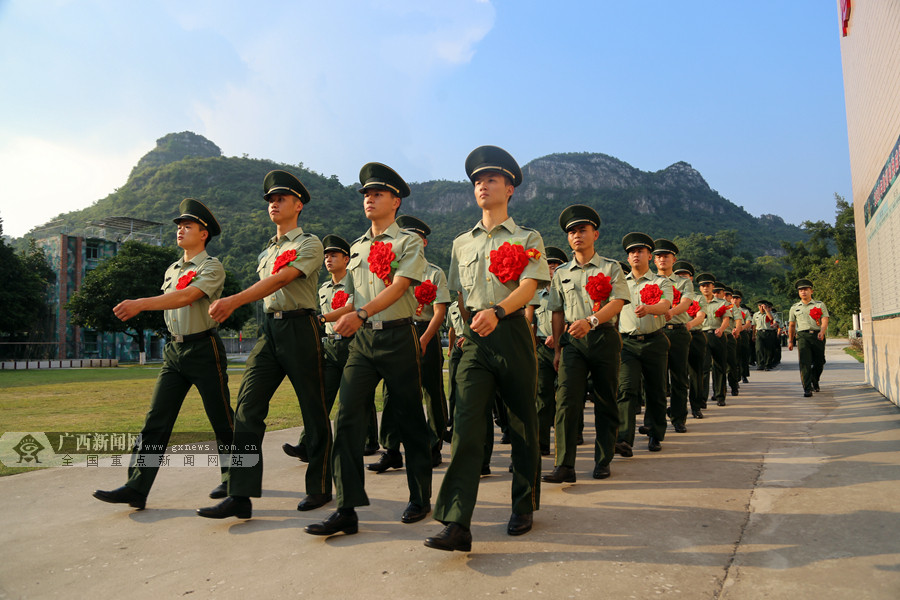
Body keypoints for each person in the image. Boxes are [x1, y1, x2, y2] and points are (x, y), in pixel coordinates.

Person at [425, 145, 550, 552]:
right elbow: (459, 295)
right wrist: (462, 332)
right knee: (465, 425)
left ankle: (524, 503)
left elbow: (530, 286)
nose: (482, 185)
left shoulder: (528, 238)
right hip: (475, 338)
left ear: (510, 188)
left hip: (512, 330)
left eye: (491, 179)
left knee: (521, 423)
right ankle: (457, 522)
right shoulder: (462, 243)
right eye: (477, 181)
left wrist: (498, 310)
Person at [305, 162, 432, 536]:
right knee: (347, 420)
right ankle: (347, 507)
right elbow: (358, 298)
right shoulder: (356, 248)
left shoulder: (407, 242)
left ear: (395, 200)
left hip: (397, 336)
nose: (369, 199)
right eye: (365, 194)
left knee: (409, 418)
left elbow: (399, 286)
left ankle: (421, 496)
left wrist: (359, 312)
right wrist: (327, 317)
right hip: (363, 342)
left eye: (377, 193)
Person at [197, 170, 330, 519]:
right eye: (270, 200)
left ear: (298, 205)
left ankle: (319, 485)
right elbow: (271, 282)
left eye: (281, 199)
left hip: (302, 327)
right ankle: (240, 494)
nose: (274, 204)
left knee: (313, 409)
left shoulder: (309, 244)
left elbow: (283, 279)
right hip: (269, 331)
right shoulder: (267, 251)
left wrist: (234, 301)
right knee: (247, 406)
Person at [93, 199, 233, 510]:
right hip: (175, 350)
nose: (181, 230)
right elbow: (170, 300)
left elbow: (187, 297)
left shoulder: (211, 266)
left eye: (188, 226)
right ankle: (136, 486)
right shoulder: (173, 269)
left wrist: (141, 303)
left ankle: (234, 479)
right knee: (156, 420)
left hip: (203, 348)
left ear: (204, 234)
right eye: (179, 226)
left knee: (221, 418)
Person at [543, 205, 627, 483]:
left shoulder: (611, 267)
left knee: (606, 399)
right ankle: (564, 465)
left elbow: (617, 303)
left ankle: (603, 459)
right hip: (572, 343)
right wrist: (557, 349)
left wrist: (591, 320)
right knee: (566, 400)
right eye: (571, 232)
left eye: (582, 230)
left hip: (603, 336)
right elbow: (556, 310)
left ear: (595, 234)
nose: (576, 235)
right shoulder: (561, 273)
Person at [281, 235, 379, 464]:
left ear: (346, 259)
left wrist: (322, 318)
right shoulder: (324, 287)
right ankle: (308, 443)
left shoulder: (355, 281)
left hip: (353, 343)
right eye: (326, 255)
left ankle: (369, 440)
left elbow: (351, 307)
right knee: (321, 395)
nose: (328, 259)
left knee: (359, 395)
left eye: (334, 255)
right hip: (330, 345)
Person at [369, 215, 450, 471]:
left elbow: (439, 312)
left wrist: (425, 339)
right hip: (399, 331)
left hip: (426, 332)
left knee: (431, 391)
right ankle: (391, 449)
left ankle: (433, 443)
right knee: (392, 392)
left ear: (422, 243)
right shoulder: (390, 271)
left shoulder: (434, 273)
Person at [615, 233, 672, 455]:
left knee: (656, 390)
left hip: (654, 341)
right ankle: (624, 439)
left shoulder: (661, 281)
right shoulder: (620, 283)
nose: (635, 255)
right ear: (628, 259)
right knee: (626, 389)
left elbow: (666, 305)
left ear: (650, 255)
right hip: (627, 343)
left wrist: (649, 308)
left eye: (640, 251)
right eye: (631, 252)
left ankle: (655, 433)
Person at [653, 239, 695, 434]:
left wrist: (671, 311)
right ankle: (657, 419)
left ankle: (679, 418)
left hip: (678, 331)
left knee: (679, 378)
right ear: (654, 260)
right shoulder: (651, 281)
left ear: (673, 259)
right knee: (658, 380)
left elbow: (686, 303)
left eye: (666, 256)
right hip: (657, 331)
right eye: (659, 256)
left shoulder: (683, 282)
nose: (662, 259)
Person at [532, 245, 568, 457]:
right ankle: (542, 442)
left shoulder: (567, 289)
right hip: (543, 348)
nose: (551, 269)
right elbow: (533, 322)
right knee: (543, 395)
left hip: (566, 345)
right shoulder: (537, 295)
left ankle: (574, 434)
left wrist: (559, 335)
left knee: (566, 394)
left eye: (555, 266)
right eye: (548, 266)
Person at [673, 261, 707, 419]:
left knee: (695, 372)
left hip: (694, 335)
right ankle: (676, 408)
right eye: (678, 275)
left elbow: (701, 316)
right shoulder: (669, 293)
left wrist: (689, 324)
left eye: (684, 276)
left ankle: (696, 405)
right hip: (675, 334)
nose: (681, 278)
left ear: (691, 279)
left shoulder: (698, 298)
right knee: (676, 374)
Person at [788, 278, 829, 397]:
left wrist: (822, 331)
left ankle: (814, 380)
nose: (803, 292)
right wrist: (790, 340)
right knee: (804, 363)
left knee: (819, 362)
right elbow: (792, 325)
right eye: (800, 290)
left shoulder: (819, 304)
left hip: (817, 335)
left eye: (805, 289)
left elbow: (825, 319)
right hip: (802, 336)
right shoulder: (794, 307)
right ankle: (807, 388)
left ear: (811, 291)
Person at [698, 275, 731, 407]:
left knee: (720, 366)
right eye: (703, 286)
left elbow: (726, 319)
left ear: (713, 287)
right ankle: (702, 398)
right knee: (704, 368)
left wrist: (721, 329)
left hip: (717, 335)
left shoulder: (722, 303)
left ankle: (720, 396)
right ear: (700, 288)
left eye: (708, 285)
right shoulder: (695, 302)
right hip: (702, 335)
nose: (706, 288)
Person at [753, 299, 777, 371]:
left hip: (769, 332)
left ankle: (767, 364)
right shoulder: (756, 315)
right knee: (758, 348)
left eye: (763, 306)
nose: (761, 307)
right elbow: (754, 325)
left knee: (768, 349)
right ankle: (760, 364)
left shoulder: (771, 313)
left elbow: (771, 319)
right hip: (760, 333)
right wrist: (753, 335)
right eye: (760, 306)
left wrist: (766, 310)